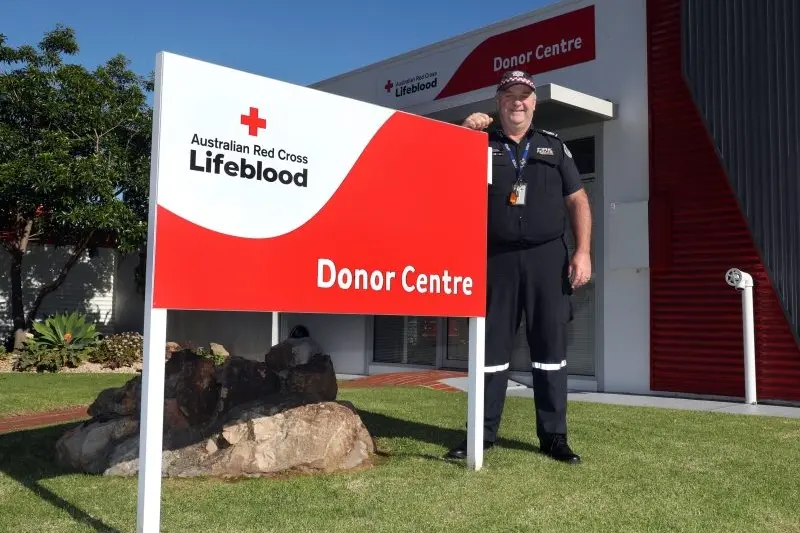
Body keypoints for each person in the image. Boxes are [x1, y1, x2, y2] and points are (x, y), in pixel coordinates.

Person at [445, 70, 592, 465]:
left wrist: (583, 252)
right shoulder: (480, 144)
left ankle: (554, 438)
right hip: (496, 259)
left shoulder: (554, 148)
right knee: (490, 351)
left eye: (524, 95)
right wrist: (464, 133)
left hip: (548, 258)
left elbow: (577, 200)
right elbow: (449, 180)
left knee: (550, 353)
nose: (517, 102)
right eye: (509, 95)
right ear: (499, 102)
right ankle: (482, 435)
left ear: (534, 103)